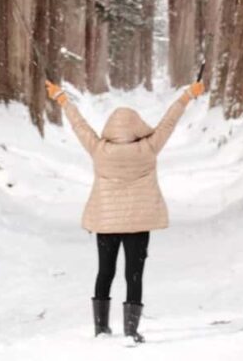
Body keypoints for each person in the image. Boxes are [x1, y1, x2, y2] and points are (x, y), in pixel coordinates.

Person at [45, 79, 205, 343]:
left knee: (104, 272)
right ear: (136, 126)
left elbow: (79, 124)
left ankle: (101, 328)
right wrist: (188, 95)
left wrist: (61, 97)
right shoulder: (149, 147)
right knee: (134, 274)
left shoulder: (99, 149)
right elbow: (169, 121)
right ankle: (131, 330)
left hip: (106, 223)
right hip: (138, 224)